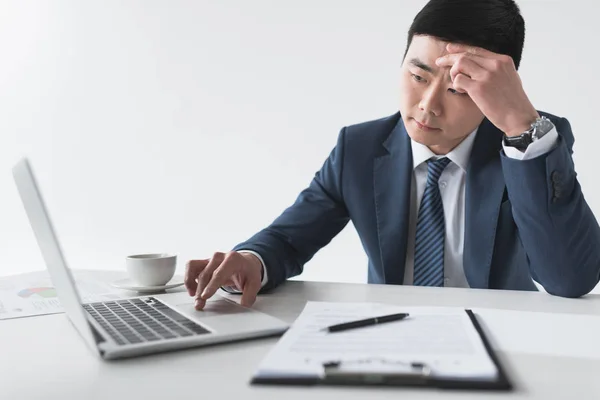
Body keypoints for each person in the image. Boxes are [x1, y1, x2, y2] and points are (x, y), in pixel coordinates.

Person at [185, 0, 600, 310]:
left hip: (504, 342)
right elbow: (287, 240)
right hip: (387, 338)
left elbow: (570, 279)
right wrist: (250, 261)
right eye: (417, 76)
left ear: (494, 88)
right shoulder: (361, 149)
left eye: (458, 89)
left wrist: (520, 125)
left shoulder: (528, 143)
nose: (428, 105)